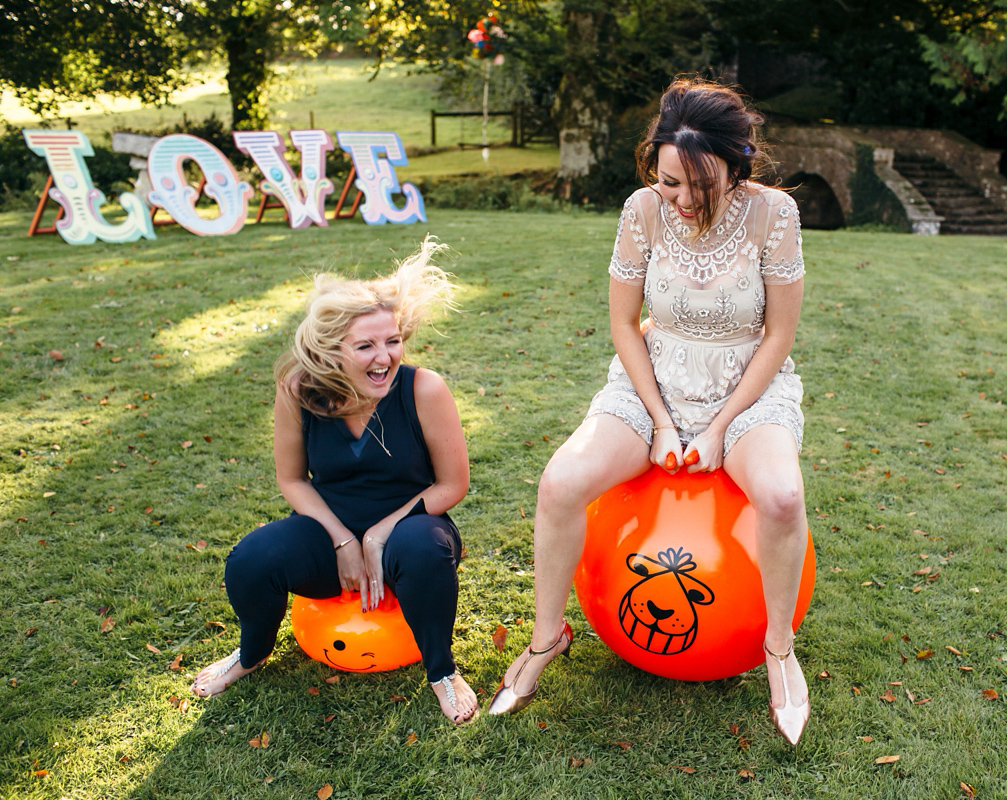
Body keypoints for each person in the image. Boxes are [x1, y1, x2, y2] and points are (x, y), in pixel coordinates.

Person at [489, 78, 812, 744]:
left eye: (703, 184)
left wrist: (721, 427)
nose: (685, 200)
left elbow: (779, 336)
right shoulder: (641, 210)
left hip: (746, 388)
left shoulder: (775, 215)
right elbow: (623, 321)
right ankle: (547, 639)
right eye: (671, 183)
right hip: (651, 382)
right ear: (653, 164)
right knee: (560, 482)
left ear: (736, 166)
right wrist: (661, 420)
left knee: (781, 497)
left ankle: (779, 649)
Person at [191, 237, 478, 725]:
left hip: (412, 530)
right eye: (364, 346)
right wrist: (343, 538)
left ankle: (442, 672)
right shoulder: (298, 390)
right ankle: (251, 653)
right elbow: (293, 480)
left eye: (392, 340)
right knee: (250, 560)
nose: (384, 357)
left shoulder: (424, 388)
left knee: (424, 550)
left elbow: (452, 486)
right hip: (329, 532)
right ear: (331, 349)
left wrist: (381, 532)